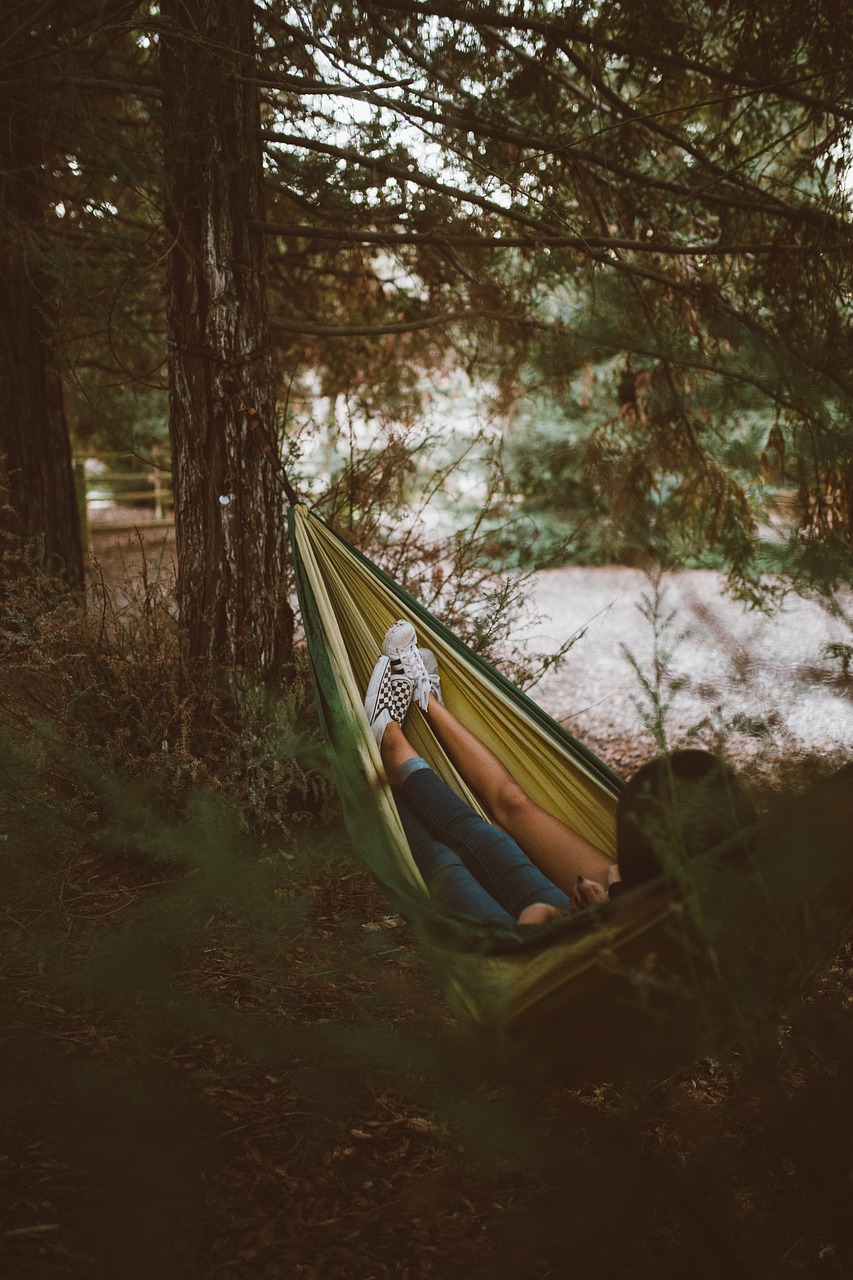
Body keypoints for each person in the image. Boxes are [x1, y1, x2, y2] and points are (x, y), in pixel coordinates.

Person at [364, 619, 757, 926]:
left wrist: (565, 920)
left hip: (543, 953)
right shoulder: (735, 898)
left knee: (446, 859)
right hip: (624, 909)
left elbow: (540, 934)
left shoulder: (691, 955)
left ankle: (389, 748)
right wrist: (608, 903)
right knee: (509, 810)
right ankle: (427, 703)